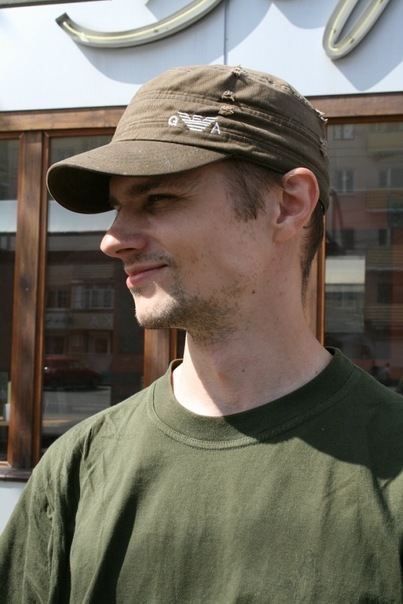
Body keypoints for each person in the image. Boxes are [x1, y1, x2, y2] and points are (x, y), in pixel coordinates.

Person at [1, 64, 403, 603]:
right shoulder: (78, 468)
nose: (112, 240)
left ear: (288, 205)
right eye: (119, 207)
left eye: (159, 199)